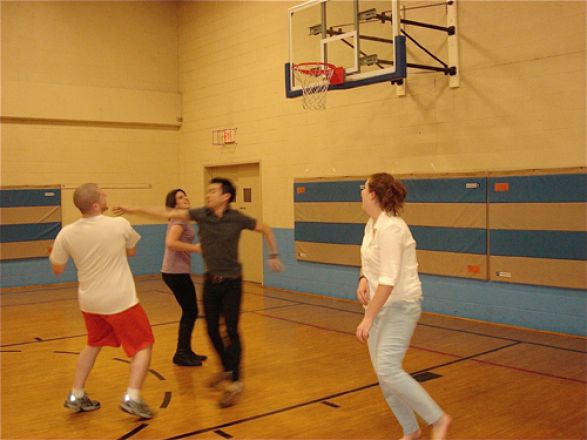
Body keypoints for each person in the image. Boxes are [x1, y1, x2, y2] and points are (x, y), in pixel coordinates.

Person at [114, 177, 283, 408]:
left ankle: (235, 381)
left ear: (226, 196)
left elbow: (264, 228)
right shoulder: (201, 214)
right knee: (211, 329)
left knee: (231, 330)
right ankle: (227, 367)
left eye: (213, 191)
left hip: (233, 282)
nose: (207, 194)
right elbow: (165, 213)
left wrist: (273, 255)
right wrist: (133, 208)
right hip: (211, 281)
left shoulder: (237, 218)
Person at [355, 173, 451, 440]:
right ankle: (411, 430)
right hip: (378, 306)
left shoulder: (393, 229)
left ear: (373, 194)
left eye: (364, 187)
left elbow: (388, 280)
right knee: (384, 375)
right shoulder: (371, 225)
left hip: (401, 306)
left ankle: (439, 419)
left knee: (387, 368)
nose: (361, 191)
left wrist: (367, 319)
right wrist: (363, 278)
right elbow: (370, 262)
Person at [49, 183, 154, 419]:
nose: (107, 194)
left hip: (89, 301)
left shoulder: (66, 232)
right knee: (143, 345)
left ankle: (76, 395)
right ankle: (133, 398)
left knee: (93, 343)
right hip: (120, 300)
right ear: (96, 204)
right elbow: (131, 252)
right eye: (102, 193)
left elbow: (57, 268)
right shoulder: (120, 224)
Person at [161, 188, 207, 367]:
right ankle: (181, 353)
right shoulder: (179, 218)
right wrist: (195, 248)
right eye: (180, 197)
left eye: (185, 195)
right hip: (174, 272)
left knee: (190, 311)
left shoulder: (182, 217)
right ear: (174, 204)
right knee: (190, 311)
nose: (185, 198)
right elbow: (171, 243)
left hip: (177, 271)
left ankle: (186, 350)